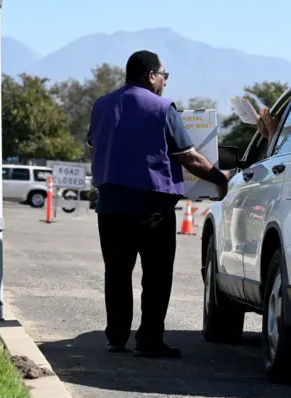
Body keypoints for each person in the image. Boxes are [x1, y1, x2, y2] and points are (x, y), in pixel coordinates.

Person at [87, 50, 229, 358]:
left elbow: (96, 143)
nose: (164, 81)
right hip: (152, 211)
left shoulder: (102, 104)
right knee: (156, 277)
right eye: (164, 75)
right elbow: (189, 157)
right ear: (151, 75)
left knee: (117, 274)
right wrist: (221, 178)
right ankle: (149, 340)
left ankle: (116, 337)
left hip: (109, 208)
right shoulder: (163, 108)